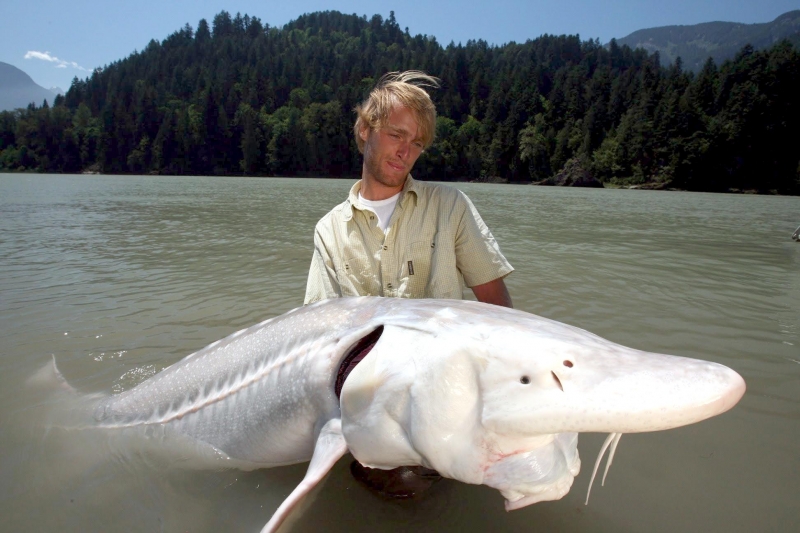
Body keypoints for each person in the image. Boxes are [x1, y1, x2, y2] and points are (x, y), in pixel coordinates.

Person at [303, 71, 514, 498]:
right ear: (365, 130)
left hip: (443, 397)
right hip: (369, 407)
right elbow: (318, 335)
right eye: (397, 134)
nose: (407, 151)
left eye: (417, 143)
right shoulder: (328, 230)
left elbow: (496, 306)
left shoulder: (450, 206)